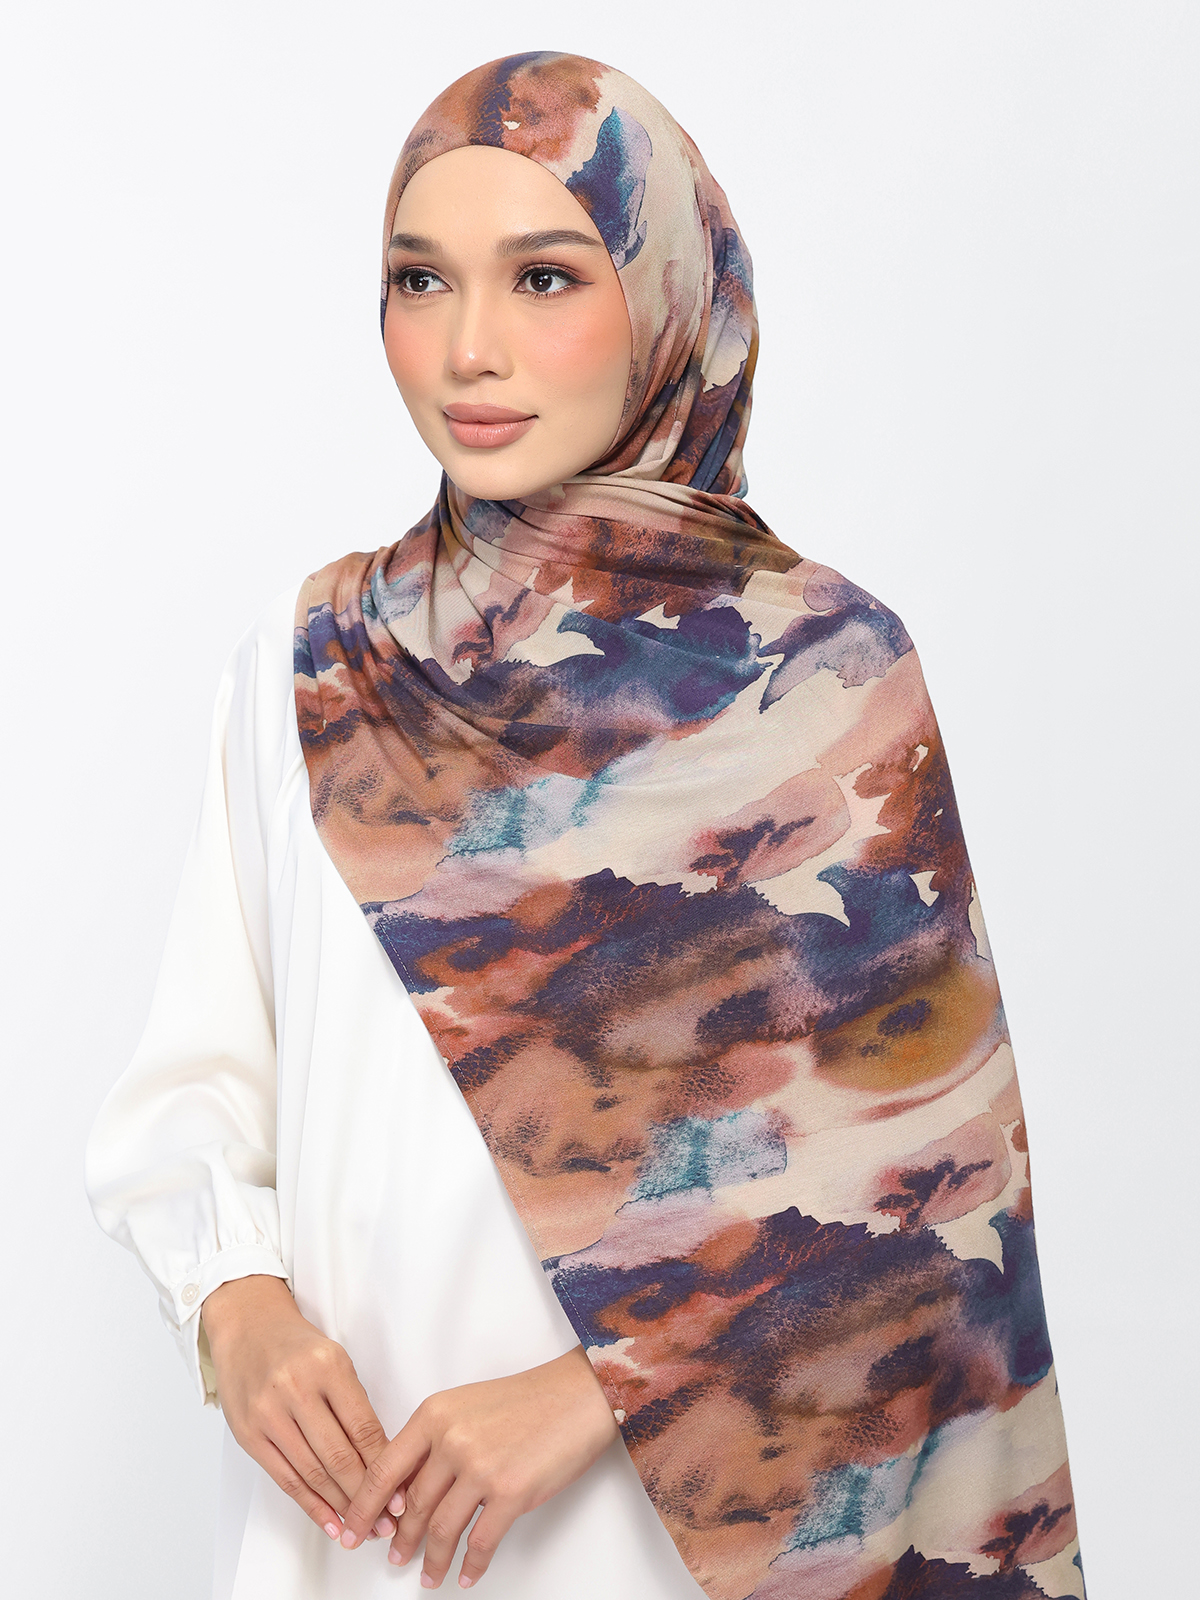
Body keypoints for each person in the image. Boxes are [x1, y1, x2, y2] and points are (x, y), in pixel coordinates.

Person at [86, 51, 1085, 1600]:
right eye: (420, 280)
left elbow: (931, 1202)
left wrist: (605, 1391)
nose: (468, 349)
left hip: (675, 1538)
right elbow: (197, 1091)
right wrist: (239, 1305)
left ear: (667, 292)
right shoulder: (314, 666)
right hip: (360, 1535)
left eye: (544, 276)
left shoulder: (820, 676)